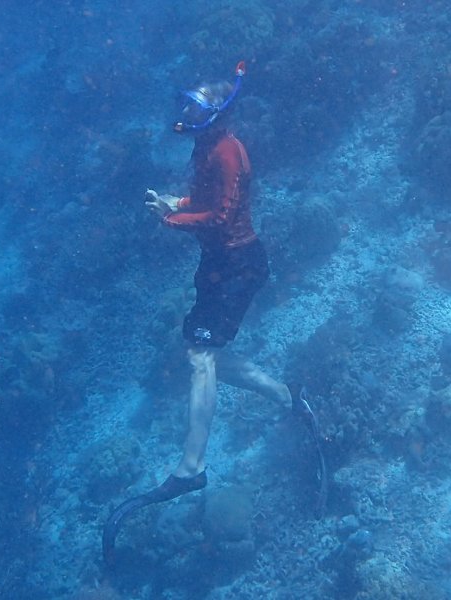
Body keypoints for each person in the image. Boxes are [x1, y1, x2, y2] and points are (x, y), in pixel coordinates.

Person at [102, 62, 326, 565]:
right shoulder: (207, 146)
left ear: (217, 115)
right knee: (208, 352)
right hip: (222, 265)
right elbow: (208, 203)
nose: (186, 113)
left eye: (196, 108)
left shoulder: (226, 151)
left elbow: (222, 215)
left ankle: (191, 466)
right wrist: (174, 201)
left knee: (201, 354)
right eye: (187, 104)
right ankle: (292, 399)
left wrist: (173, 217)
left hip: (238, 265)